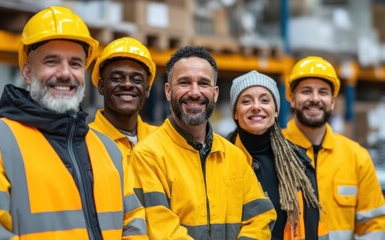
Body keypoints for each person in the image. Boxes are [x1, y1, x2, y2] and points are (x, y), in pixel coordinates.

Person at [0, 6, 147, 239]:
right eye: (52, 61)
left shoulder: (109, 152)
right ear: (27, 72)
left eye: (75, 63)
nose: (65, 73)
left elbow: (134, 222)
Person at [130, 45, 277, 239]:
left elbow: (260, 218)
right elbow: (162, 231)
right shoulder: (148, 156)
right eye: (184, 82)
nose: (194, 92)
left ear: (215, 93)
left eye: (203, 83)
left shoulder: (234, 156)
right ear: (168, 91)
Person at [283, 56, 385, 240]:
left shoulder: (356, 157)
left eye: (323, 92)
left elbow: (372, 225)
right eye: (306, 91)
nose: (315, 99)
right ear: (291, 98)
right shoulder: (272, 151)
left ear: (332, 101)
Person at [227, 70, 326, 240]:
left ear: (275, 111)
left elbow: (310, 229)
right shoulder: (219, 159)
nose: (256, 106)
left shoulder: (299, 163)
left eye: (265, 100)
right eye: (246, 101)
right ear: (235, 113)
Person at [89, 37, 157, 158]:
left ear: (147, 89)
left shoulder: (159, 139)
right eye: (117, 78)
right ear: (101, 86)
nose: (127, 84)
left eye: (136, 80)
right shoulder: (85, 141)